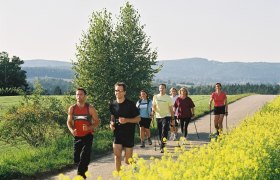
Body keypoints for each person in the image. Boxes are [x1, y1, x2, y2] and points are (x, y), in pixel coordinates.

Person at [67, 87, 100, 179]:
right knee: (77, 158)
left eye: (81, 94)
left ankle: (81, 175)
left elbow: (97, 121)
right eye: (77, 94)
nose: (78, 96)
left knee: (85, 155)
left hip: (88, 136)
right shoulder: (72, 109)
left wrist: (89, 127)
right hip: (77, 136)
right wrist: (71, 130)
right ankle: (83, 167)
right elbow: (69, 122)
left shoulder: (90, 108)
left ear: (85, 96)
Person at [109, 82, 140, 171]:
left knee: (127, 160)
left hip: (128, 134)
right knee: (117, 157)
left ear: (124, 92)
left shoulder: (130, 104)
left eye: (120, 90)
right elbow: (112, 117)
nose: (117, 92)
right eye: (116, 90)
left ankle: (135, 167)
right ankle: (119, 176)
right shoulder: (112, 104)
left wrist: (126, 120)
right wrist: (111, 124)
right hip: (117, 134)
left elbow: (138, 119)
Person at [152, 83, 174, 153]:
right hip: (158, 116)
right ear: (159, 89)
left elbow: (171, 109)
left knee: (164, 131)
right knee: (160, 131)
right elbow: (154, 106)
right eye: (160, 88)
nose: (161, 89)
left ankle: (162, 146)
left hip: (167, 116)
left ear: (165, 89)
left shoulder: (168, 98)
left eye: (163, 88)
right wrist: (153, 112)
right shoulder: (155, 97)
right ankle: (163, 142)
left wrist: (172, 119)